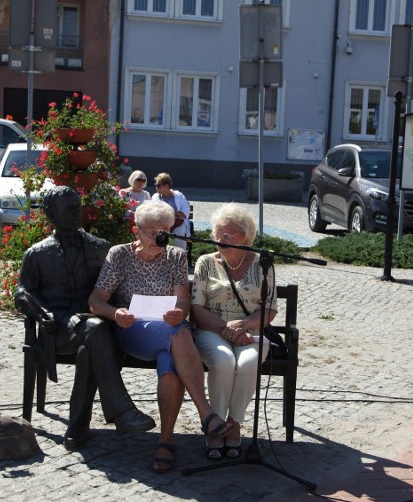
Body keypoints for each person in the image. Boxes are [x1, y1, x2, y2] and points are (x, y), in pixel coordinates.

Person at [88, 200, 233, 473]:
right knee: (178, 335)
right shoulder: (119, 255)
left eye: (165, 230)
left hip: (170, 333)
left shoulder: (175, 256)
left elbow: (183, 301)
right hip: (132, 331)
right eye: (152, 231)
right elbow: (95, 301)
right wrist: (115, 313)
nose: (159, 237)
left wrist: (180, 311)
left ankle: (166, 441)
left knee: (170, 358)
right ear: (136, 231)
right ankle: (206, 413)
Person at [15, 186, 155, 451]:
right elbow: (22, 293)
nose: (76, 212)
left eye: (77, 206)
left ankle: (78, 426)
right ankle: (120, 409)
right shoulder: (37, 254)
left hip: (95, 327)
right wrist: (41, 313)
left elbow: (114, 290)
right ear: (50, 213)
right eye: (69, 208)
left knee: (91, 344)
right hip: (57, 329)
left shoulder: (100, 248)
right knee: (95, 331)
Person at [190, 203, 277, 459]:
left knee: (249, 361)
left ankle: (234, 422)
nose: (221, 239)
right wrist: (225, 328)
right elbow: (196, 307)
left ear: (245, 236)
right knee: (223, 361)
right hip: (211, 329)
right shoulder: (205, 262)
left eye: (228, 235)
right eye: (218, 234)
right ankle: (215, 424)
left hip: (250, 332)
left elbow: (270, 309)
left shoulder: (263, 264)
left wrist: (245, 325)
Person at [150, 173, 191, 250]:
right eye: (155, 185)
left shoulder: (179, 195)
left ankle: (180, 255)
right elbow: (154, 212)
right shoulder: (155, 197)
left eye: (158, 185)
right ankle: (160, 254)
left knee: (180, 231)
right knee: (159, 233)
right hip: (162, 223)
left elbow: (186, 210)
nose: (156, 187)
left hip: (178, 223)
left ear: (167, 186)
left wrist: (173, 214)